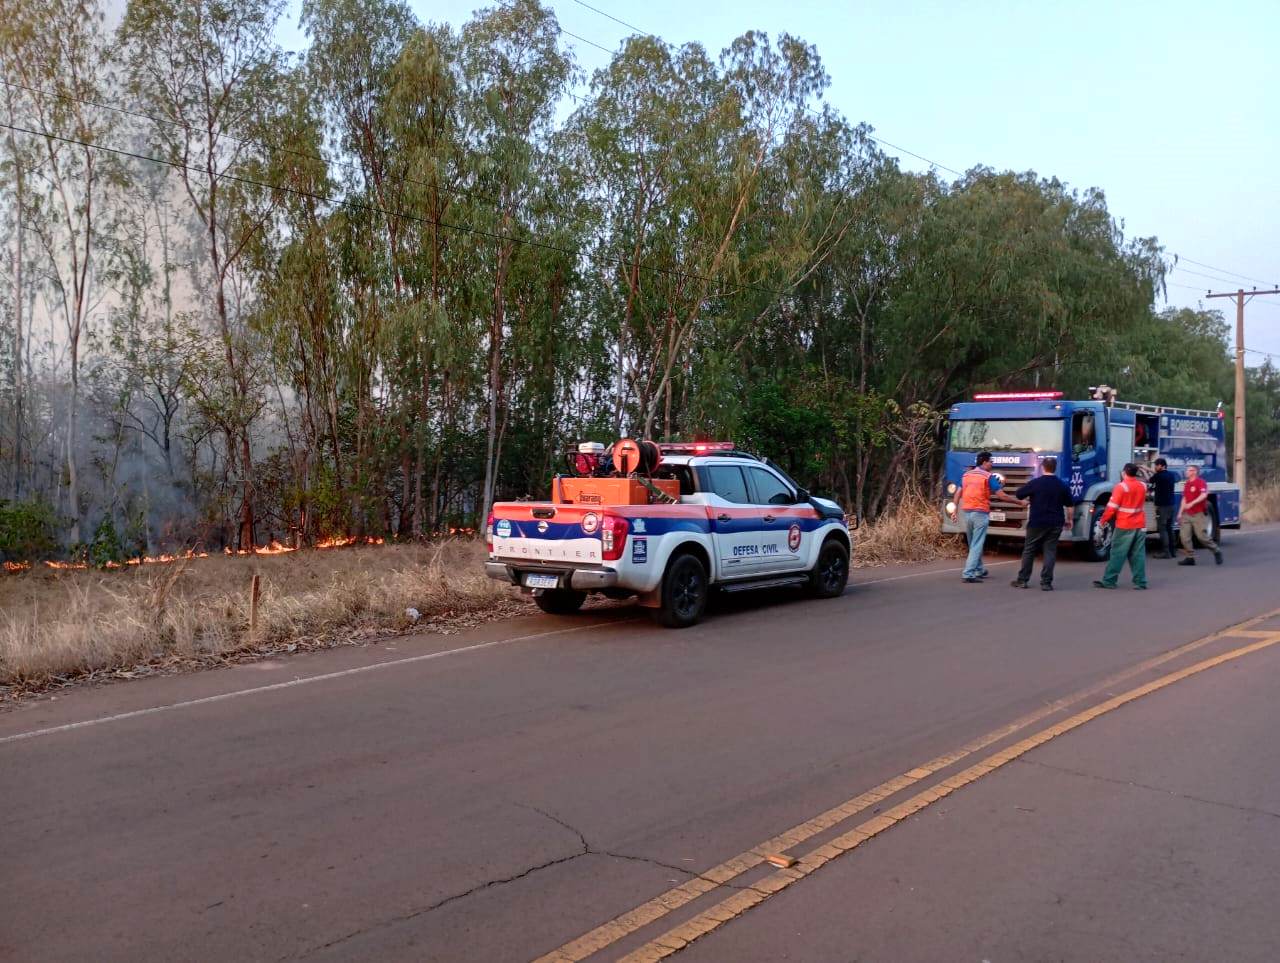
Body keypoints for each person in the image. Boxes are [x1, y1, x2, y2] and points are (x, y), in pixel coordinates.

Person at [953, 451, 1024, 583]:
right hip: (980, 513)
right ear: (984, 462)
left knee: (973, 543)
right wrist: (1019, 502)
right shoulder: (988, 477)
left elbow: (957, 493)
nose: (992, 464)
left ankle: (979, 569)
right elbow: (1002, 496)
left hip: (967, 512)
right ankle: (968, 573)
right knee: (977, 544)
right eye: (991, 461)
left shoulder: (966, 475)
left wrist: (954, 510)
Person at [1010, 456, 1074, 591]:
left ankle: (1022, 580)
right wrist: (1070, 520)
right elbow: (1070, 505)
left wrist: (1029, 499)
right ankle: (1046, 583)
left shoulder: (1035, 483)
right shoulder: (1062, 485)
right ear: (1055, 468)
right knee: (1050, 551)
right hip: (1056, 522)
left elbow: (1019, 494)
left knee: (1029, 550)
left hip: (1037, 522)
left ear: (1042, 467)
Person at [1093, 463, 1149, 590]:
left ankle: (1109, 580)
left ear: (1124, 473)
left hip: (1125, 525)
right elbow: (1146, 483)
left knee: (1117, 553)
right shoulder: (1142, 486)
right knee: (1138, 554)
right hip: (1140, 524)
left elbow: (1111, 508)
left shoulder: (1121, 487)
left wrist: (1102, 521)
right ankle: (1140, 582)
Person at [1177, 464, 1223, 566]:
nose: (1186, 472)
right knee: (1184, 537)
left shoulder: (1201, 482)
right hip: (1186, 514)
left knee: (1201, 537)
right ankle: (1190, 557)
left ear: (1194, 472)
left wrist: (1193, 503)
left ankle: (1216, 550)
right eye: (1187, 470)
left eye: (1189, 470)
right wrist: (1180, 512)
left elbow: (1204, 495)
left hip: (1198, 514)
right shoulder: (1187, 484)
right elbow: (1184, 499)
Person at [1148, 458, 1178, 558]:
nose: (1155, 467)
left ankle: (1166, 552)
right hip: (1171, 506)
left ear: (1162, 466)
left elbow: (1149, 480)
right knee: (1170, 528)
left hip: (1162, 507)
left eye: (1156, 465)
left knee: (1162, 529)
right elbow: (1157, 476)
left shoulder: (1158, 476)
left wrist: (1144, 470)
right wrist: (1148, 469)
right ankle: (1173, 551)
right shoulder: (1170, 475)